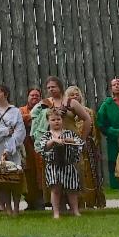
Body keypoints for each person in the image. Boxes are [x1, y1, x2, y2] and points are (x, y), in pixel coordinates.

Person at [29, 77, 91, 211]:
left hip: (70, 144)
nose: (51, 89)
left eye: (53, 87)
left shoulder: (71, 102)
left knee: (74, 172)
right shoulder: (44, 104)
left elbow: (87, 119)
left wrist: (82, 139)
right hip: (52, 145)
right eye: (48, 87)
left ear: (60, 87)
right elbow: (34, 122)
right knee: (55, 176)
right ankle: (59, 207)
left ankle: (76, 207)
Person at [35, 108, 83, 219]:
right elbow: (43, 147)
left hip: (68, 165)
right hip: (53, 166)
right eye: (53, 120)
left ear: (62, 120)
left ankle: (75, 211)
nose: (56, 122)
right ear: (48, 121)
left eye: (58, 119)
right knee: (55, 190)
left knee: (72, 189)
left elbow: (80, 143)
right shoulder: (47, 135)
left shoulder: (69, 133)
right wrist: (53, 141)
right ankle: (56, 212)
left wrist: (71, 141)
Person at [0, 84, 25, 216]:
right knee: (2, 178)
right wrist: (6, 131)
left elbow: (20, 132)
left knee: (15, 176)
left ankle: (16, 208)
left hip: (12, 147)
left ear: (5, 94)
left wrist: (9, 149)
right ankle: (7, 208)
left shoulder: (15, 111)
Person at [64, 86, 106, 209]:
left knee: (90, 175)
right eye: (71, 95)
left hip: (87, 146)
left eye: (77, 94)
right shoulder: (66, 113)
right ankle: (77, 203)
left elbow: (95, 131)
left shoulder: (88, 112)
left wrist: (95, 147)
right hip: (71, 144)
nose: (75, 97)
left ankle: (92, 202)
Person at [19, 87, 45, 211]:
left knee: (41, 174)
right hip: (26, 147)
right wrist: (32, 117)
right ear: (27, 97)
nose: (34, 97)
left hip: (40, 146)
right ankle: (30, 201)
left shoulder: (44, 110)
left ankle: (41, 201)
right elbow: (20, 120)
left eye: (37, 96)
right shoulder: (21, 110)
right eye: (32, 95)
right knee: (28, 174)